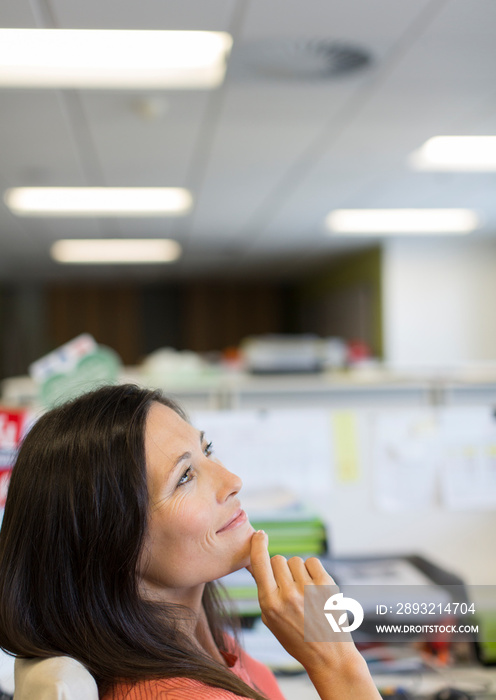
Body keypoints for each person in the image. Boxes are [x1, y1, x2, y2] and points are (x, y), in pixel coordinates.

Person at [0, 384, 380, 699]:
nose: (232, 480)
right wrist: (337, 660)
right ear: (114, 542)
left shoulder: (209, 651)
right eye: (184, 477)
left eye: (207, 450)